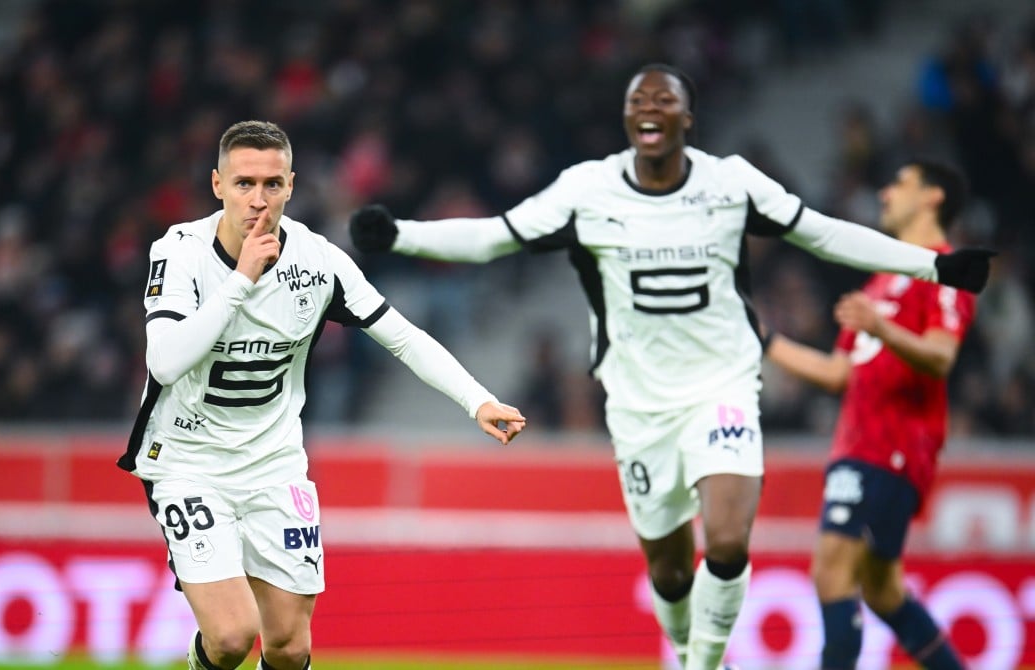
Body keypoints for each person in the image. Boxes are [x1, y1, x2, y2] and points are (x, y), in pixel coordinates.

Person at [348, 63, 993, 670]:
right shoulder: (586, 190)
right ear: (627, 117)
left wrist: (934, 266)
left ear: (688, 118)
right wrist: (402, 234)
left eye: (665, 99)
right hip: (638, 405)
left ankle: (702, 664)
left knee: (730, 541)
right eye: (638, 99)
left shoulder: (731, 184)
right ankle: (689, 651)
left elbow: (821, 232)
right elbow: (495, 236)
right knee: (671, 573)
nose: (649, 107)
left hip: (723, 386)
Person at [116, 120, 525, 670]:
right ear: (217, 185)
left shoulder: (319, 262)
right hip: (189, 463)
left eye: (271, 184)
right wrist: (240, 281)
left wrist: (477, 400)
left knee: (289, 647)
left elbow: (402, 336)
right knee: (233, 637)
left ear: (291, 186)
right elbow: (164, 361)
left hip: (275, 465)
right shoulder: (181, 251)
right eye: (243, 183)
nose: (258, 199)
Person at [765, 159, 974, 669]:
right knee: (882, 590)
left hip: (892, 447)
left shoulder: (945, 269)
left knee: (831, 572)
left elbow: (941, 356)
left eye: (899, 183)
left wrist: (881, 328)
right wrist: (762, 339)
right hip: (858, 446)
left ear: (933, 197)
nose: (885, 193)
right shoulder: (879, 284)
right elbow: (837, 373)